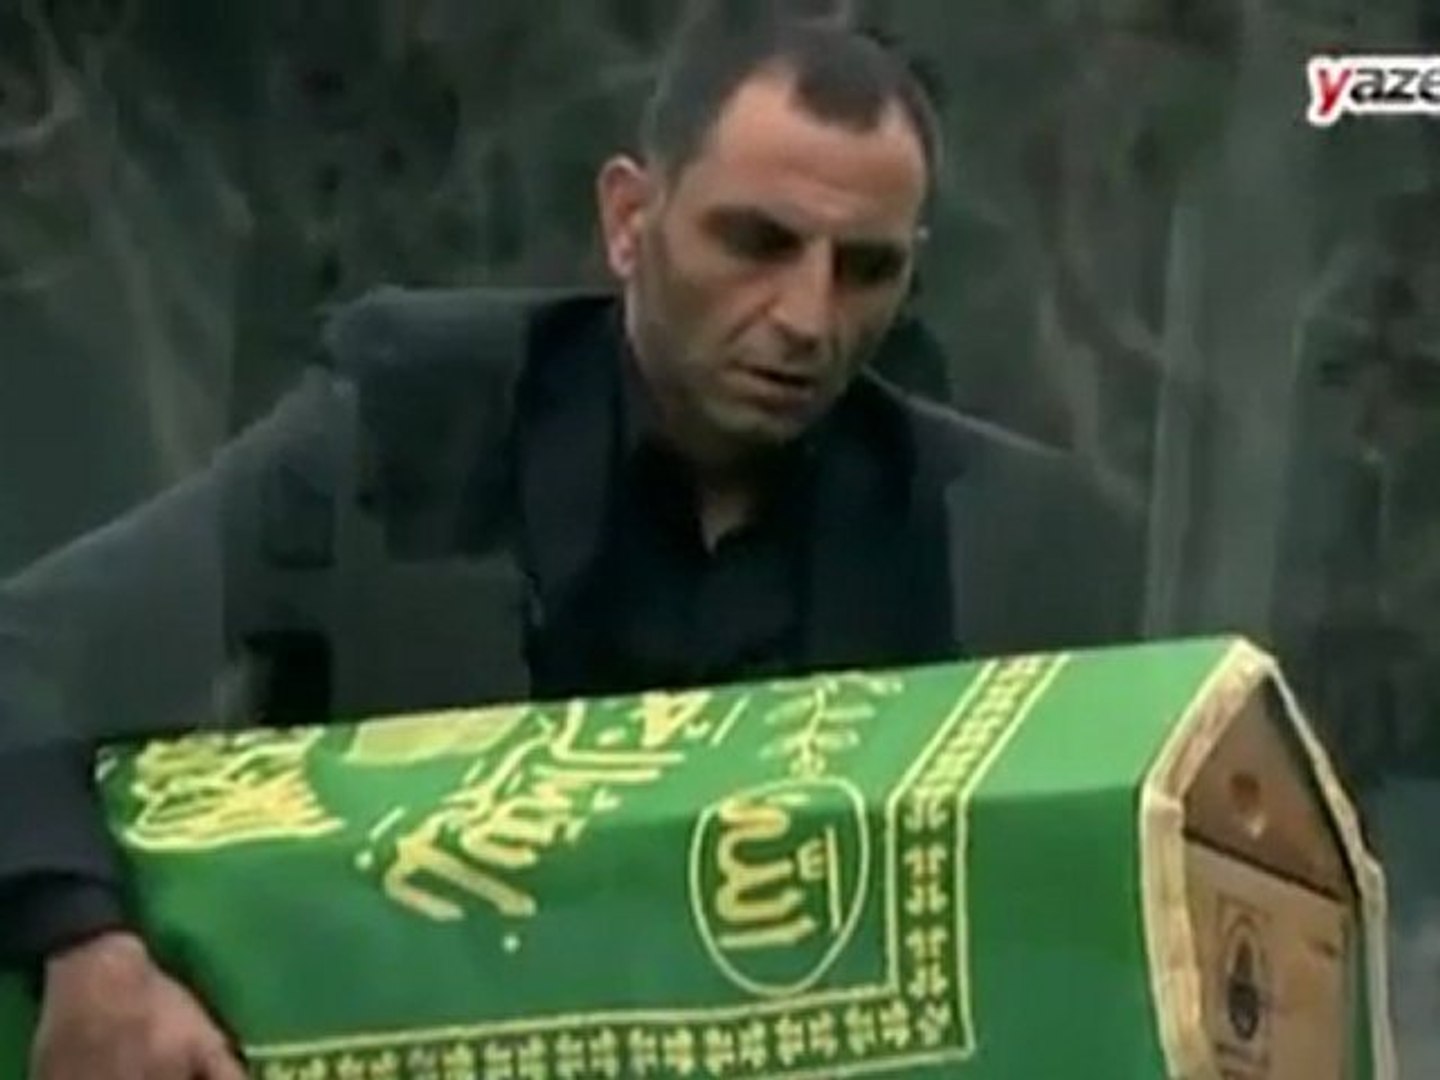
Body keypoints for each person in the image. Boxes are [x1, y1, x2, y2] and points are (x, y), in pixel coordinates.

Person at [0, 4, 1140, 1078]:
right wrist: (89, 952)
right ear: (630, 220)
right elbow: (27, 657)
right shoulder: (409, 427)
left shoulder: (984, 528)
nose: (808, 318)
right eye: (757, 242)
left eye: (867, 269)